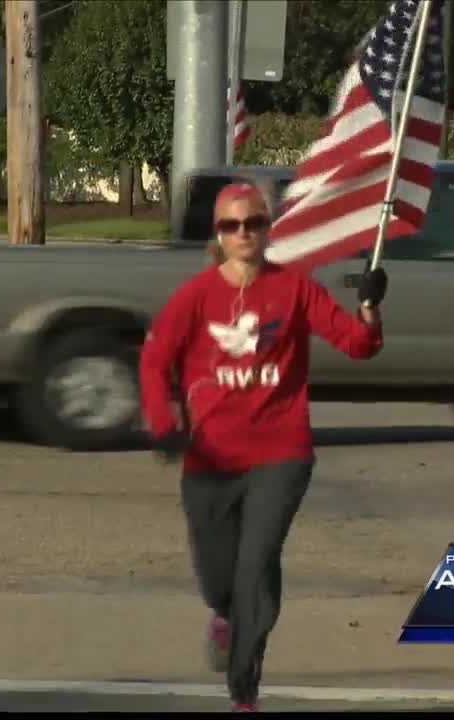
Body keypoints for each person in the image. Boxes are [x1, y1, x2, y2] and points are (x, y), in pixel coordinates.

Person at [137, 181, 388, 712]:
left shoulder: (294, 289)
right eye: (232, 225)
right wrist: (164, 420)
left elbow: (357, 344)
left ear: (267, 229)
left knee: (257, 565)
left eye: (253, 222)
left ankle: (243, 689)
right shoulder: (196, 296)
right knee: (217, 573)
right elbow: (156, 359)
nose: (243, 233)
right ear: (219, 235)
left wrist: (368, 306)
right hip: (210, 457)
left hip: (282, 452)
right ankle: (225, 616)